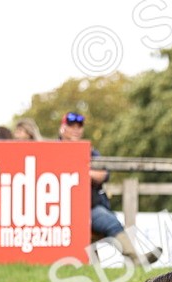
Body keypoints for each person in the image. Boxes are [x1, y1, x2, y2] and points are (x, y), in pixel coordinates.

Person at [59, 110, 160, 266]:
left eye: (79, 126)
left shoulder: (91, 152)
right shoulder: (52, 148)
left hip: (90, 208)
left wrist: (78, 171)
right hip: (59, 210)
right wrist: (83, 171)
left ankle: (136, 259)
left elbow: (103, 174)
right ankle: (97, 267)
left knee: (110, 222)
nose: (76, 129)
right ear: (62, 128)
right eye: (71, 125)